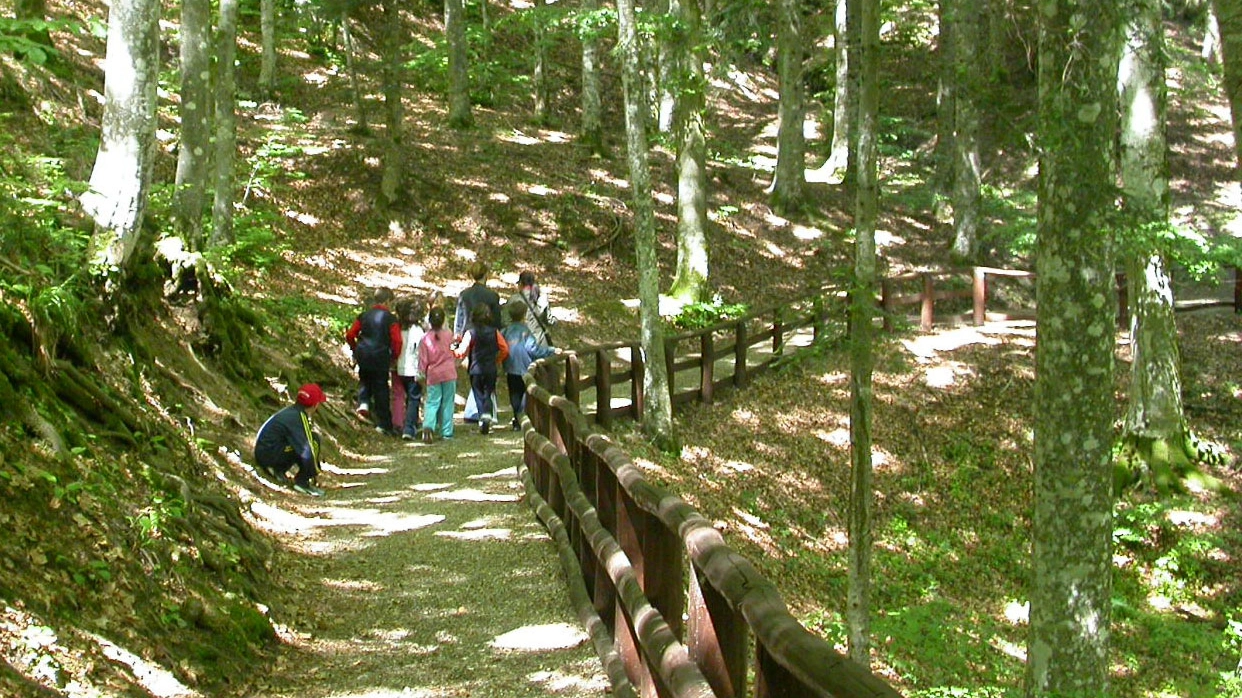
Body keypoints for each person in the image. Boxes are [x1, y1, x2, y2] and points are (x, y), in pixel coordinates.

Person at [345, 287, 402, 436]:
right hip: (380, 355)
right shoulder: (390, 319)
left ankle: (363, 403)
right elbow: (397, 340)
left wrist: (355, 348)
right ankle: (384, 424)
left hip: (363, 353)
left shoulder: (363, 316)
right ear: (388, 301)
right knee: (381, 387)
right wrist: (394, 356)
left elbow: (351, 334)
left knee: (364, 379)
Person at [254, 383, 328, 497]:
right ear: (315, 405)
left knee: (301, 441)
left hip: (264, 452)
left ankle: (278, 469)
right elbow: (307, 449)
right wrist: (313, 472)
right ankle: (302, 483)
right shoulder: (299, 418)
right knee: (314, 440)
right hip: (268, 454)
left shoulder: (291, 412)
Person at [454, 261, 504, 424]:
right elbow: (498, 321)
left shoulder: (464, 295)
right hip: (490, 337)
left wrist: (458, 339)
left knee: (474, 372)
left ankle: (479, 411)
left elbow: (459, 320)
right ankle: (488, 411)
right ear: (486, 275)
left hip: (470, 336)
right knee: (489, 372)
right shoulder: (492, 296)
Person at [455, 303, 509, 435]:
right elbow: (505, 349)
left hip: (475, 369)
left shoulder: (470, 333)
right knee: (488, 393)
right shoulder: (494, 332)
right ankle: (487, 416)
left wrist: (454, 352)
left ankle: (482, 418)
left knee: (478, 394)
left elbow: (462, 351)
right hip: (490, 368)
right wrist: (497, 360)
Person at [502, 302, 556, 431]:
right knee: (525, 393)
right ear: (524, 315)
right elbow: (533, 349)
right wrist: (551, 350)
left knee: (514, 393)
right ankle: (523, 418)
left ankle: (517, 418)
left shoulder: (505, 331)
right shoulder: (525, 332)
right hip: (525, 368)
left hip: (510, 367)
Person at [418, 306, 458, 442]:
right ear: (443, 321)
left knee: (432, 401)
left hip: (433, 374)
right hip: (449, 373)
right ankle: (447, 432)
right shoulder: (449, 335)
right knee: (448, 402)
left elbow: (423, 360)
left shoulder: (425, 339)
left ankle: (428, 425)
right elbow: (454, 350)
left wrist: (421, 373)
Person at [394, 297, 426, 440]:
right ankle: (409, 427)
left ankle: (403, 423)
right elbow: (420, 352)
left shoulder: (399, 329)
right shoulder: (418, 331)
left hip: (400, 368)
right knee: (414, 399)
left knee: (405, 396)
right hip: (413, 370)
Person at [509, 270, 555, 347]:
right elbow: (549, 320)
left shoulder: (514, 300)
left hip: (521, 342)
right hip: (540, 342)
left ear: (520, 284)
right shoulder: (542, 298)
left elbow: (505, 321)